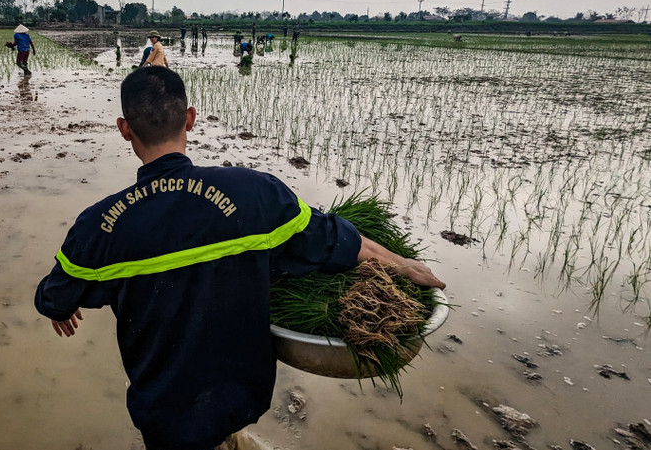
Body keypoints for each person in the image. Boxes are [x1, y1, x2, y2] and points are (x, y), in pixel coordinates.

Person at [34, 67, 445, 450]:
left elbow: (53, 298)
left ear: (125, 129)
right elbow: (334, 240)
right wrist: (403, 264)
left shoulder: (100, 226)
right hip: (240, 397)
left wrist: (61, 308)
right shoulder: (256, 193)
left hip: (164, 413)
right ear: (190, 118)